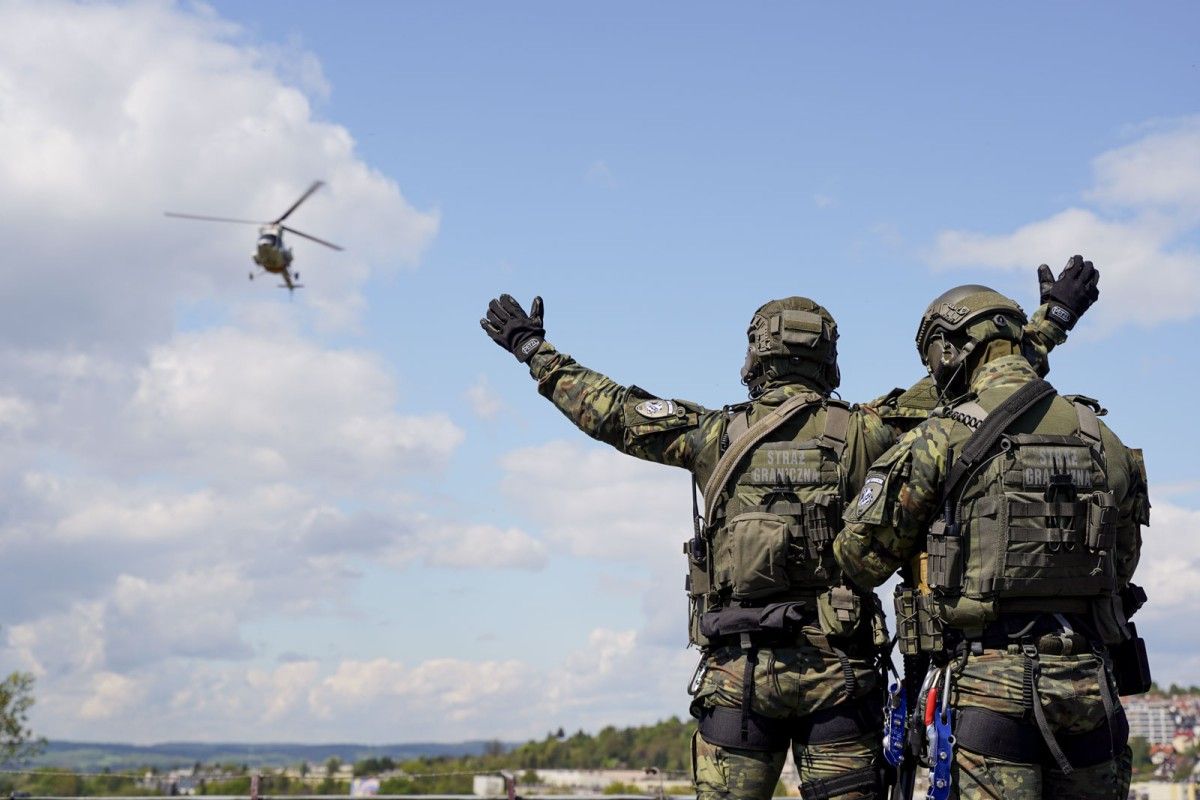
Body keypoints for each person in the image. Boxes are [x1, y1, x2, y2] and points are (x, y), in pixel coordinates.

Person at [479, 263, 1095, 800]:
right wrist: (1051, 319)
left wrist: (535, 351)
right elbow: (975, 377)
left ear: (755, 356)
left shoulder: (712, 435)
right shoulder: (867, 430)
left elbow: (610, 412)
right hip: (842, 681)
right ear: (828, 359)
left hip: (737, 679)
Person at [833, 276, 1149, 800]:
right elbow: (1123, 563)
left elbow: (859, 558)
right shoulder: (1103, 438)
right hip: (1092, 690)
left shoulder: (940, 436)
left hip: (989, 689)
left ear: (950, 351)